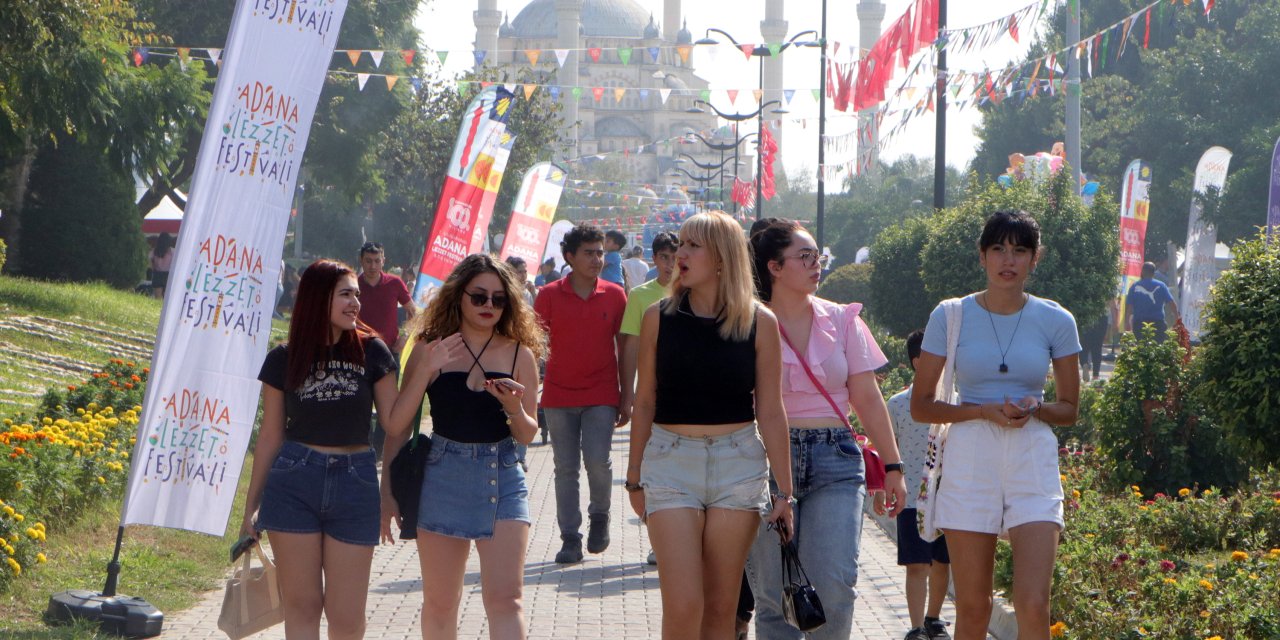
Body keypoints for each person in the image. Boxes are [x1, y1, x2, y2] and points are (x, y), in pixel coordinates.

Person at [911, 210, 1081, 640]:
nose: (1009, 260)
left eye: (1020, 250)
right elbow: (922, 406)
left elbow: (1069, 409)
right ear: (982, 255)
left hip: (1031, 455)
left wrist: (1034, 408)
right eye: (999, 249)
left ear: (1035, 258)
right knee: (973, 607)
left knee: (1033, 604)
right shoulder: (950, 315)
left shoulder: (1056, 319)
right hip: (970, 454)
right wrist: (981, 411)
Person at [626, 211, 795, 639]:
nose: (679, 254)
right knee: (684, 605)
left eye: (692, 245)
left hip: (738, 465)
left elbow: (771, 410)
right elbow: (644, 402)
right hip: (670, 463)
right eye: (680, 244)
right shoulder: (658, 317)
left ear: (721, 258)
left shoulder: (761, 322)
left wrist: (784, 491)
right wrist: (633, 477)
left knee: (722, 608)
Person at [745, 219, 910, 640]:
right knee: (774, 597)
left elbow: (867, 397)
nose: (816, 264)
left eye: (818, 256)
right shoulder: (747, 323)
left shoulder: (842, 319)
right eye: (805, 256)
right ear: (774, 267)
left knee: (835, 588)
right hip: (764, 460)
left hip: (834, 459)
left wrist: (894, 466)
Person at [381, 254, 544, 639]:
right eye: (479, 296)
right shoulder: (429, 349)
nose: (489, 305)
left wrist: (513, 408)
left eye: (499, 299)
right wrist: (387, 493)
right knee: (441, 602)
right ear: (458, 295)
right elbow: (396, 426)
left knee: (507, 600)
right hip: (442, 475)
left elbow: (527, 434)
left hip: (502, 475)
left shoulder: (520, 353)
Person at [239, 259, 399, 639]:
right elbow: (271, 435)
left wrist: (389, 492)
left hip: (355, 482)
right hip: (294, 481)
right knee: (303, 607)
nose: (355, 303)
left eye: (356, 295)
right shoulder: (284, 357)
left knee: (347, 617)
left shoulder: (373, 352)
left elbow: (395, 425)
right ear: (318, 298)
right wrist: (251, 507)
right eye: (345, 294)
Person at [533, 224, 630, 564]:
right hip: (558, 396)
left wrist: (627, 395)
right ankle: (570, 538)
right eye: (589, 253)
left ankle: (599, 515)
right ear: (570, 257)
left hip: (601, 394)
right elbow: (534, 346)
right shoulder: (548, 295)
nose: (596, 259)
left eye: (600, 253)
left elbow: (625, 349)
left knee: (597, 461)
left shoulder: (615, 295)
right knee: (565, 468)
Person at [888, 330, 953, 640]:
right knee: (917, 565)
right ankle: (916, 629)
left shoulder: (955, 404)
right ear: (917, 362)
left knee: (942, 562)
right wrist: (883, 488)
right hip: (912, 497)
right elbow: (888, 450)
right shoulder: (898, 404)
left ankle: (933, 619)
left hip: (948, 497)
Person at [619, 231, 677, 568]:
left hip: (685, 399)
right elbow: (629, 346)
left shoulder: (695, 292)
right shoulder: (641, 296)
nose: (671, 264)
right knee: (653, 470)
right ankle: (660, 539)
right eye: (665, 258)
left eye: (676, 257)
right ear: (654, 259)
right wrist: (626, 393)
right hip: (650, 397)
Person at [357, 241, 418, 353]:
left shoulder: (395, 283)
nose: (373, 266)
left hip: (389, 351)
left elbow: (413, 312)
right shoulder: (353, 285)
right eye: (368, 261)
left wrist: (405, 336)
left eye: (377, 261)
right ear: (361, 260)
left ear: (383, 261)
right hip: (358, 350)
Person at [1124, 261, 1179, 343]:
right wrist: (1177, 319)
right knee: (1158, 347)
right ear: (1153, 273)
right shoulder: (1161, 286)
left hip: (1139, 324)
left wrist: (1127, 322)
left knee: (1141, 346)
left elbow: (1129, 307)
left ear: (1142, 271)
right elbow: (1172, 303)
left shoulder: (1135, 286)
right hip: (1157, 323)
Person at [150, 232, 175, 299]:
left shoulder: (155, 251)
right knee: (167, 297)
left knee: (157, 297)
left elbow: (150, 260)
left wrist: (153, 268)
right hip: (168, 275)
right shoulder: (172, 251)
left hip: (157, 274)